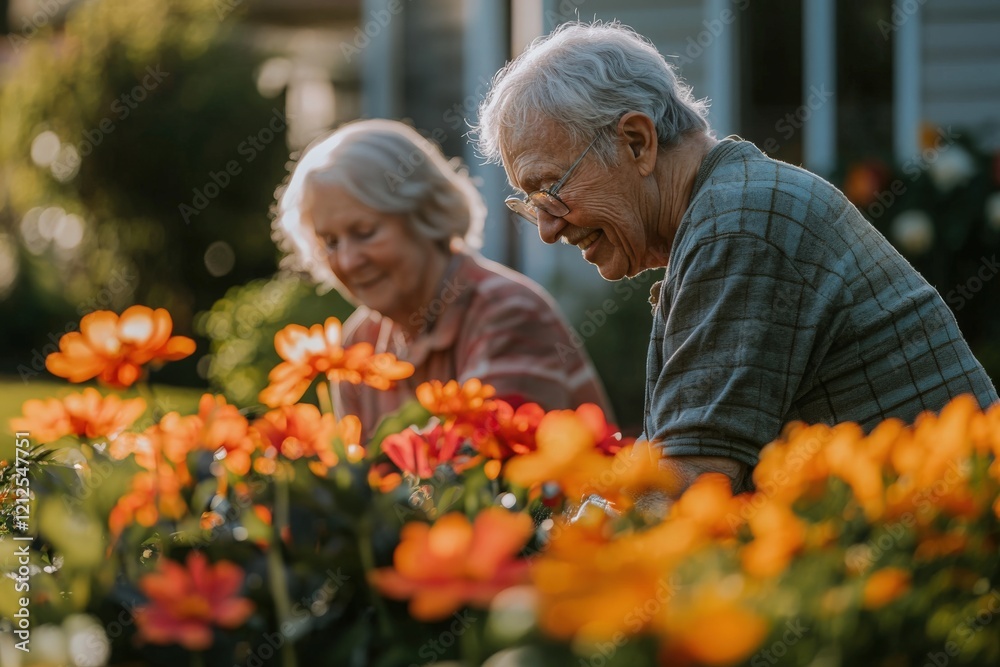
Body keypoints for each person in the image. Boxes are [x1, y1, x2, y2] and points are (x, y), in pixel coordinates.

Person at [475, 21, 999, 495]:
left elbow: (685, 485)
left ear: (637, 143)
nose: (546, 229)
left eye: (552, 189)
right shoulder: (731, 207)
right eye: (531, 202)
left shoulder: (740, 223)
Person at [272, 119, 613, 437]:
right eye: (329, 242)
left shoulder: (507, 314)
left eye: (364, 232)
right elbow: (360, 492)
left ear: (426, 216)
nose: (347, 260)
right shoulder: (358, 343)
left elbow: (482, 479)